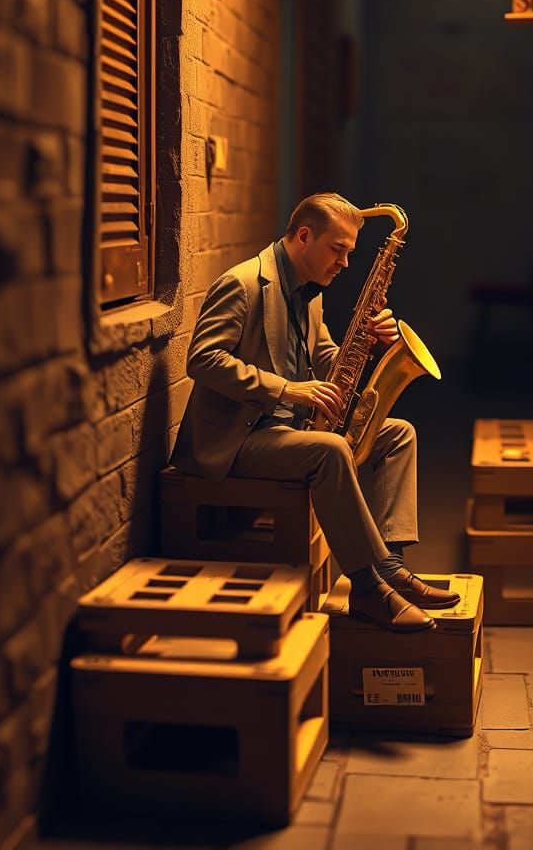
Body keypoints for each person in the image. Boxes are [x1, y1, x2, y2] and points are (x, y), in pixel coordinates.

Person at [171, 192, 458, 632]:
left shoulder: (310, 293)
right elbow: (203, 360)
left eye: (350, 253)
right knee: (330, 451)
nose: (343, 263)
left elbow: (325, 358)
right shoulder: (243, 284)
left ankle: (393, 564)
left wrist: (364, 339)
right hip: (235, 438)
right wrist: (287, 389)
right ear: (304, 236)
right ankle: (367, 586)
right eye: (337, 249)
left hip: (287, 427)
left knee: (398, 432)